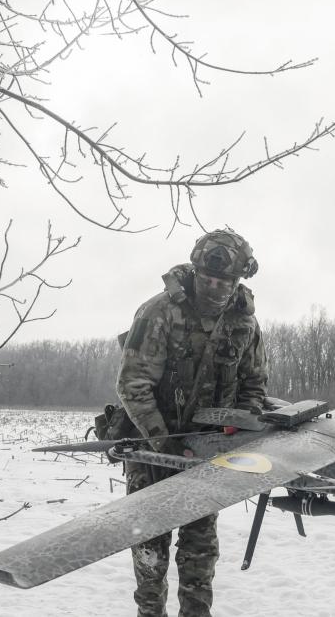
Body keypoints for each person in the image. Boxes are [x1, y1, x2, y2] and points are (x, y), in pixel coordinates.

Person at [116, 228, 268, 617]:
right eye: (208, 278)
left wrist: (239, 428)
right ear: (196, 272)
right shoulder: (159, 312)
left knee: (200, 554)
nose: (214, 287)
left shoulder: (244, 325)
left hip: (206, 455)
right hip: (153, 450)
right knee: (150, 551)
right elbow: (133, 385)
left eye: (224, 281)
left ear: (237, 281)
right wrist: (164, 444)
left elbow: (254, 384)